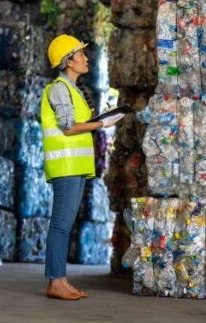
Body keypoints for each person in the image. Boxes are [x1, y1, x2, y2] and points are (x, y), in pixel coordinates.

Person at [41, 34, 125, 300]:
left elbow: (78, 122)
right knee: (60, 225)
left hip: (75, 165)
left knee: (65, 225)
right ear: (68, 60)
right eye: (80, 54)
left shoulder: (74, 90)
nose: (85, 58)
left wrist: (105, 115)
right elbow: (68, 128)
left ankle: (61, 280)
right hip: (65, 165)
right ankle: (55, 282)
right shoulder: (58, 88)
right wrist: (103, 124)